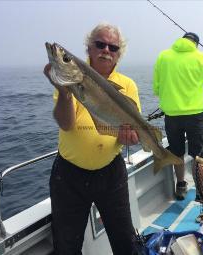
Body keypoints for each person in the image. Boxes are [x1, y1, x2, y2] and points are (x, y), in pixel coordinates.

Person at [43, 23, 141, 255]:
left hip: (111, 173)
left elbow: (134, 135)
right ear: (89, 48)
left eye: (112, 46)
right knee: (67, 247)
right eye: (100, 44)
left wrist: (131, 138)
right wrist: (65, 92)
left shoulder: (127, 85)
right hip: (69, 176)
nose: (106, 49)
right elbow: (66, 124)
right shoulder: (72, 79)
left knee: (125, 240)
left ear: (119, 53)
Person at [153, 32, 203, 200]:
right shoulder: (201, 57)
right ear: (196, 44)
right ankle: (200, 192)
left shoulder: (163, 56)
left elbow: (156, 89)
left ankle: (181, 185)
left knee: (176, 153)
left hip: (171, 116)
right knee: (199, 154)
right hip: (194, 115)